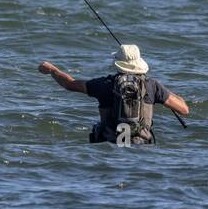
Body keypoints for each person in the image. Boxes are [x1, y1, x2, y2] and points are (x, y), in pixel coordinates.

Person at [38, 44, 189, 145]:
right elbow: (184, 110)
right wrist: (170, 95)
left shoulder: (105, 84)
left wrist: (53, 70)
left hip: (110, 143)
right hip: (141, 146)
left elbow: (70, 84)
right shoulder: (152, 85)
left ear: (118, 64)